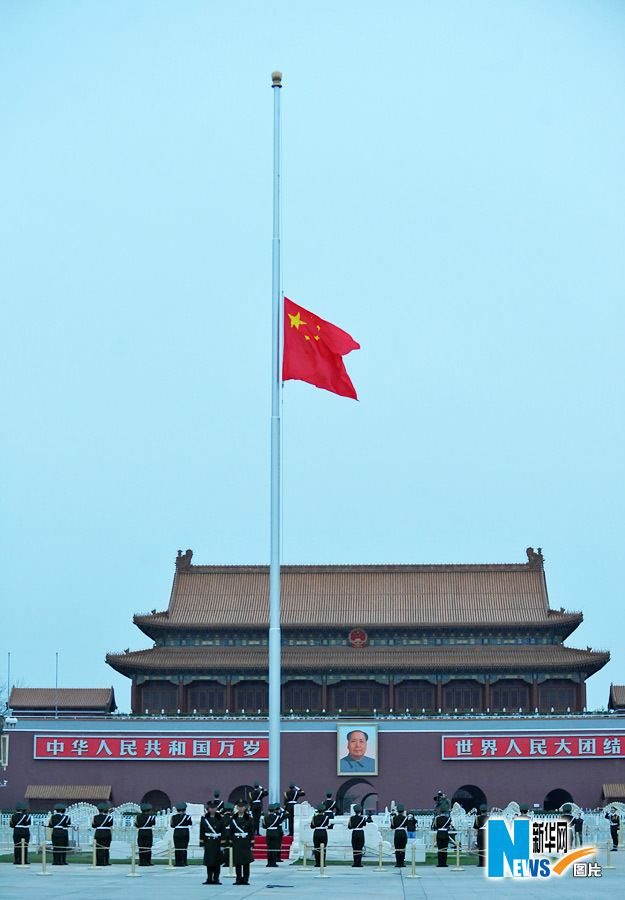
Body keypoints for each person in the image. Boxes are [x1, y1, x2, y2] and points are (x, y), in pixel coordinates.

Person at [228, 799, 255, 885]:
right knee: (238, 862)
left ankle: (246, 879)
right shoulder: (233, 819)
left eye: (242, 807)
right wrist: (231, 841)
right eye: (239, 807)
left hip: (245, 841)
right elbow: (231, 831)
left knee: (246, 862)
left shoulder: (249, 819)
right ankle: (238, 878)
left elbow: (251, 831)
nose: (240, 808)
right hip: (237, 841)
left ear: (245, 808)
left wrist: (251, 842)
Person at [200, 798, 225, 885]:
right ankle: (209, 878)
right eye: (211, 808)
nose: (212, 809)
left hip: (217, 841)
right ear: (208, 808)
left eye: (214, 808)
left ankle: (216, 878)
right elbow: (202, 831)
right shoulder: (204, 818)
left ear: (216, 808)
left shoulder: (221, 818)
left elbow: (223, 831)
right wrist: (202, 842)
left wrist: (222, 843)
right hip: (208, 842)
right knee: (209, 861)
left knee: (217, 861)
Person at [171, 802, 193, 866]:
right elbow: (190, 823)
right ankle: (184, 862)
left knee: (177, 848)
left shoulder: (173, 817)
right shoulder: (187, 817)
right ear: (184, 809)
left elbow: (172, 825)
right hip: (185, 832)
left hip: (177, 832)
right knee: (184, 848)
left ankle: (178, 862)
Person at [92, 802, 113, 866]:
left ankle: (99, 862)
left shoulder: (95, 817)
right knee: (106, 848)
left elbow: (93, 826)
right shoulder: (109, 817)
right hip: (106, 833)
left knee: (98, 848)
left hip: (98, 833)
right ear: (105, 810)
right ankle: (105, 861)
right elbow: (110, 824)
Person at [263, 803, 284, 867]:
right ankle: (273, 862)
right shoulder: (277, 817)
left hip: (269, 832)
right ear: (274, 810)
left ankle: (269, 862)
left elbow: (264, 826)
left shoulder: (265, 817)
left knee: (269, 848)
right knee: (274, 848)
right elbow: (279, 823)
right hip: (276, 833)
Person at [433, 799, 452, 868]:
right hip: (445, 834)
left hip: (439, 833)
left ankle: (440, 863)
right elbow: (449, 826)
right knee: (445, 849)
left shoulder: (436, 818)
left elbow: (435, 826)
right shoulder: (448, 819)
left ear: (440, 811)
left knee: (440, 849)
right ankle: (444, 863)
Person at [473, 803, 489, 867]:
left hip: (480, 833)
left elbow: (475, 828)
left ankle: (481, 862)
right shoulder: (489, 818)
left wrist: (476, 833)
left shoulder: (477, 818)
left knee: (481, 848)